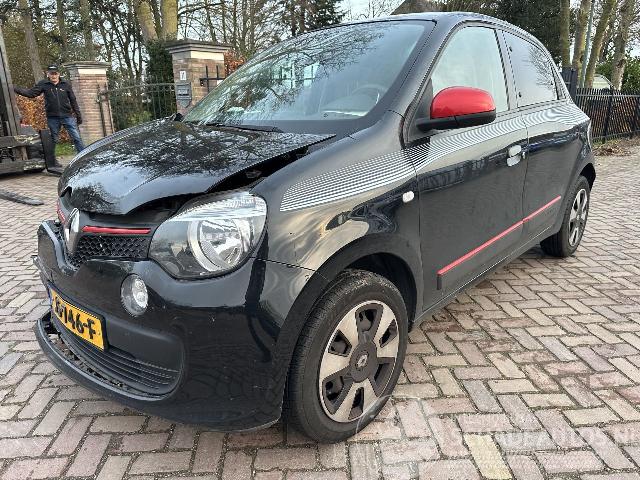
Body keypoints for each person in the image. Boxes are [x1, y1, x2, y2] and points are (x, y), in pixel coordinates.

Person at [14, 64, 85, 152]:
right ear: (48, 74)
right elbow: (31, 93)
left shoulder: (65, 84)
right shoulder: (44, 84)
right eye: (51, 74)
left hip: (67, 116)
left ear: (59, 74)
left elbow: (73, 100)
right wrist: (14, 88)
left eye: (55, 73)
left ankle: (83, 156)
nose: (54, 76)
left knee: (77, 138)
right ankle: (51, 159)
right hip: (52, 117)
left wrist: (78, 115)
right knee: (53, 140)